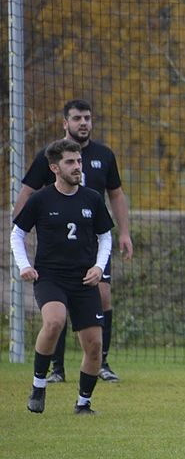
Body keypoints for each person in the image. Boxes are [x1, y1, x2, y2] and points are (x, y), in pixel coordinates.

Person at [13, 99, 133, 383]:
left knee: (103, 295)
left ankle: (101, 362)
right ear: (65, 123)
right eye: (77, 118)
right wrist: (17, 226)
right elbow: (28, 191)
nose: (83, 123)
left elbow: (116, 194)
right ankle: (57, 368)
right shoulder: (50, 156)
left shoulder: (104, 155)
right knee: (57, 311)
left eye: (87, 118)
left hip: (92, 243)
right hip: (58, 249)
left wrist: (125, 232)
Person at [12, 139, 114, 414]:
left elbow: (105, 236)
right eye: (70, 162)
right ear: (55, 167)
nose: (77, 166)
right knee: (55, 321)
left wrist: (98, 267)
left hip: (84, 280)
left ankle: (83, 403)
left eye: (79, 161)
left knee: (95, 345)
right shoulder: (41, 199)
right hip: (50, 277)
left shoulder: (92, 198)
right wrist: (24, 265)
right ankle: (38, 386)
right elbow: (17, 234)